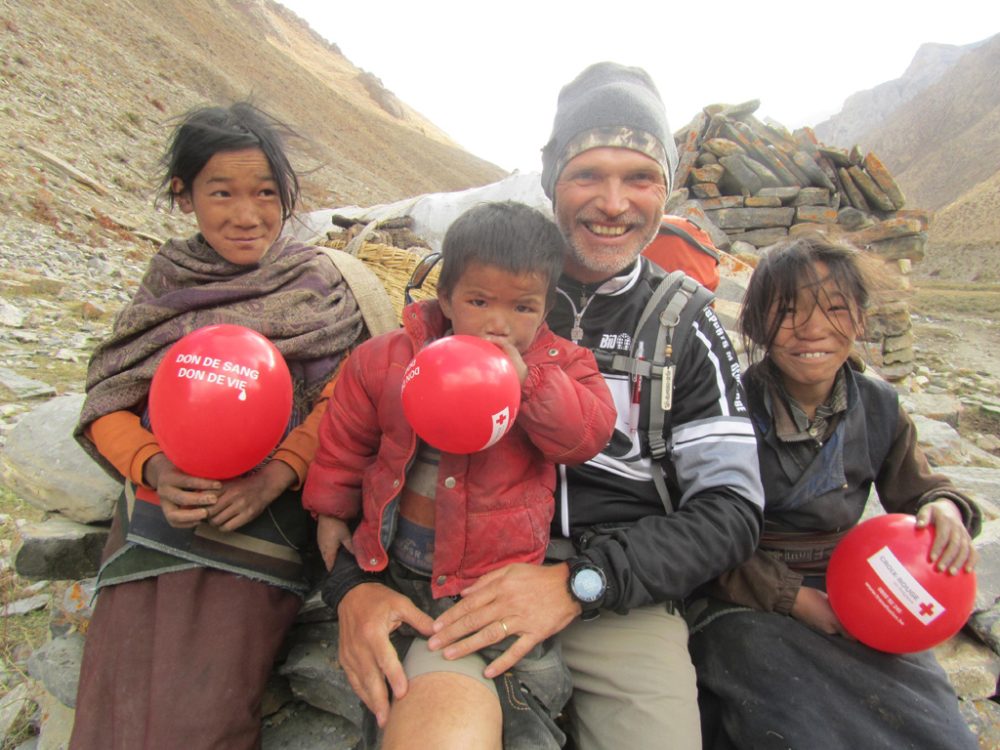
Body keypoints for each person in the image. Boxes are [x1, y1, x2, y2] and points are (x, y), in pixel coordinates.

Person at [327, 61, 766, 750]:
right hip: (462, 584)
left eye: (640, 178)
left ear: (667, 189)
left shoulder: (686, 325)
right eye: (589, 174)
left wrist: (582, 580)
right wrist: (348, 583)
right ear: (552, 176)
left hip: (622, 595)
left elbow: (732, 511)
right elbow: (363, 435)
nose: (614, 203)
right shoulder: (485, 284)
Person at [69, 102, 366, 749]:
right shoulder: (168, 282)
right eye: (221, 192)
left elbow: (344, 400)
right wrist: (152, 465)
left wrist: (277, 475)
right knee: (111, 708)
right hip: (153, 522)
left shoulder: (312, 282)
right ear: (184, 195)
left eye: (265, 193)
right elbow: (108, 401)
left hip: (259, 532)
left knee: (204, 716)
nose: (246, 214)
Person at [304, 200, 617, 749]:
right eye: (478, 301)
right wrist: (330, 508)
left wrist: (530, 385)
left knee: (519, 700)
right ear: (444, 297)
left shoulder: (562, 366)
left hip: (491, 583)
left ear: (545, 308)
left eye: (522, 307)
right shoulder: (387, 359)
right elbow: (346, 442)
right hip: (395, 570)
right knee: (390, 692)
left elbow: (585, 437)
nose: (499, 324)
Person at [688, 233, 981, 750]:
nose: (813, 329)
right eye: (788, 310)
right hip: (743, 590)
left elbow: (920, 491)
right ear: (756, 323)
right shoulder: (727, 407)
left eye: (836, 309)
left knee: (932, 726)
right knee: (789, 723)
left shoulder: (880, 406)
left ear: (861, 320)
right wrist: (792, 598)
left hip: (860, 591)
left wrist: (944, 509)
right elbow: (701, 535)